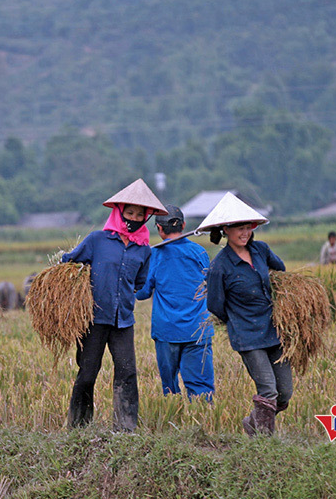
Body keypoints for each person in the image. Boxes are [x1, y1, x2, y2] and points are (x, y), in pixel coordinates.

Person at [62, 178, 167, 431]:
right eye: (129, 213)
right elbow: (69, 262)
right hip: (94, 320)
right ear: (119, 212)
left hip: (123, 321)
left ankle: (126, 428)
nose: (133, 217)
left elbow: (140, 283)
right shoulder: (97, 240)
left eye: (139, 214)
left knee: (127, 373)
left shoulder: (144, 250)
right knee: (87, 373)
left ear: (146, 218)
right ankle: (78, 426)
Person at [202, 192, 291, 436]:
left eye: (248, 227)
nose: (244, 233)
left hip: (274, 329)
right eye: (238, 228)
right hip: (247, 336)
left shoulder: (261, 250)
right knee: (268, 390)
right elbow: (215, 305)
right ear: (225, 231)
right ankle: (264, 444)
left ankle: (253, 422)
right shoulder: (219, 266)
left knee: (284, 393)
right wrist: (238, 319)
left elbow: (280, 270)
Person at [136, 204, 214, 401]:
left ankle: (174, 424)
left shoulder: (154, 255)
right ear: (184, 225)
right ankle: (203, 425)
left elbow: (143, 293)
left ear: (159, 229)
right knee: (201, 387)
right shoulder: (199, 252)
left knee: (170, 387)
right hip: (198, 328)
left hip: (166, 330)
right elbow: (211, 285)